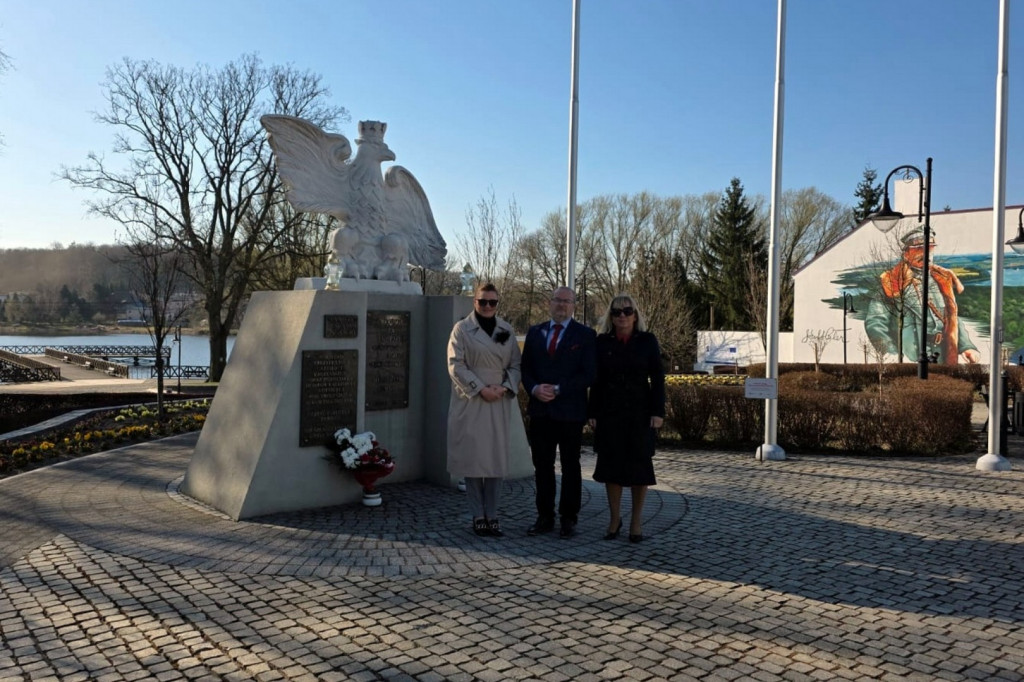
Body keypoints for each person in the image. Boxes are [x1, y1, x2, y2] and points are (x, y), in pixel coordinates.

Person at [587, 294, 665, 543]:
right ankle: (614, 519)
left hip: (640, 414)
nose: (622, 316)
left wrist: (658, 412)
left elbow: (658, 379)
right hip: (609, 414)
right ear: (610, 316)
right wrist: (592, 412)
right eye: (617, 312)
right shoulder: (601, 342)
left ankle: (636, 522)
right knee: (611, 468)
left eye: (627, 311)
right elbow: (595, 381)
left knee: (639, 468)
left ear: (635, 314)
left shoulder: (647, 341)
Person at [446, 283, 522, 537]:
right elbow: (455, 365)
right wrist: (481, 388)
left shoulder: (506, 329)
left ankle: (493, 513)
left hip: (498, 399)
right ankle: (478, 514)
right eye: (482, 301)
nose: (487, 306)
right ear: (474, 302)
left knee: (494, 460)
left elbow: (515, 364)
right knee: (474, 459)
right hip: (472, 400)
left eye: (492, 302)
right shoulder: (462, 329)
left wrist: (503, 387)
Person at [521, 286, 596, 538]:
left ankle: (568, 518)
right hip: (540, 411)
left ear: (574, 305)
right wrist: (533, 388)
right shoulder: (535, 333)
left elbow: (589, 374)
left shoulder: (585, 335)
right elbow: (525, 369)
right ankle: (544, 516)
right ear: (549, 303)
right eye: (557, 300)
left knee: (570, 466)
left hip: (570, 412)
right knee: (542, 467)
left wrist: (559, 389)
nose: (562, 305)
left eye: (567, 301)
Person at [864, 228, 980, 364]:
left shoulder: (940, 280)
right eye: (918, 248)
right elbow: (875, 323)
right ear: (906, 254)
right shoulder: (891, 281)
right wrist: (891, 353)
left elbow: (951, 317)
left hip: (942, 356)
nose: (925, 253)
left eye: (930, 248)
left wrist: (967, 347)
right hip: (909, 357)